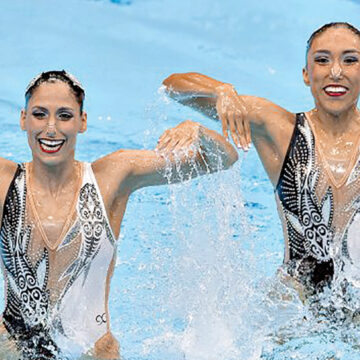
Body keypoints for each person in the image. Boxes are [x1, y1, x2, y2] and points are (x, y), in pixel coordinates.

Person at [0, 70, 238, 360]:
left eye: (64, 115)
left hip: (91, 353)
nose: (51, 128)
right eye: (40, 114)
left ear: (82, 122)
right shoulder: (4, 181)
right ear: (23, 119)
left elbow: (224, 159)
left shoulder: (111, 176)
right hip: (11, 346)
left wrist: (198, 131)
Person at [163, 22, 360, 298]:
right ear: (306, 74)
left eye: (350, 60)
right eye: (322, 60)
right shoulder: (279, 129)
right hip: (295, 303)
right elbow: (173, 87)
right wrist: (222, 91)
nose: (336, 72)